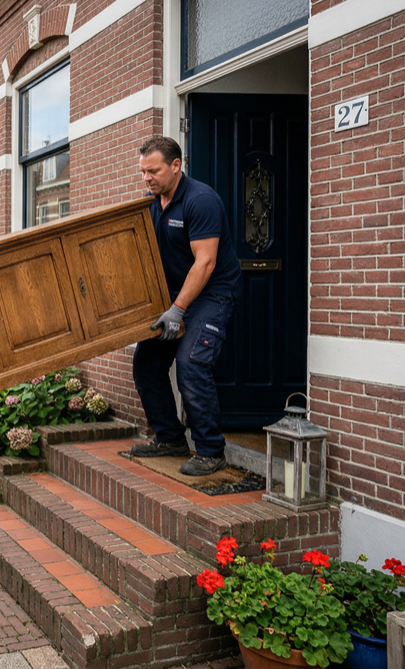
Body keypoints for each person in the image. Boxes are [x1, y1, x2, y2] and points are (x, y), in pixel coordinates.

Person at [130, 136, 242, 477]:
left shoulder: (200, 200)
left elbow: (205, 263)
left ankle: (210, 450)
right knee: (147, 364)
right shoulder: (152, 205)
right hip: (174, 296)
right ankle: (169, 438)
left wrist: (177, 310)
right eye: (143, 172)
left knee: (191, 363)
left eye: (153, 171)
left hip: (212, 294)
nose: (146, 178)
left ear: (176, 165)